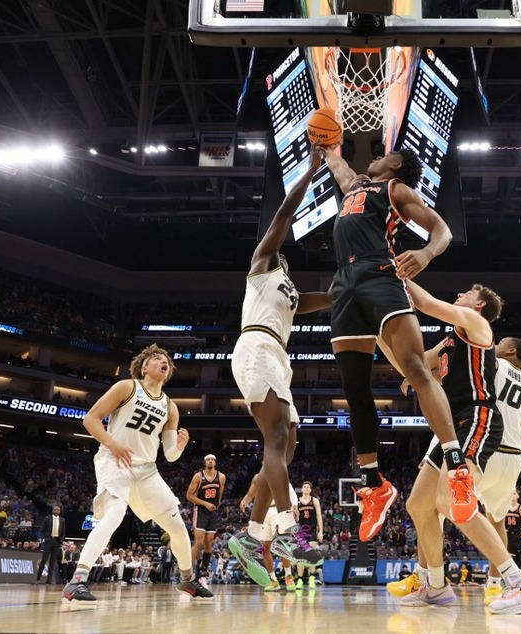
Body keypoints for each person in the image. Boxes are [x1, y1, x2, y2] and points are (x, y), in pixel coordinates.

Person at [322, 147, 475, 541]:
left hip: (379, 272)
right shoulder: (357, 185)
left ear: (394, 165)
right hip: (343, 282)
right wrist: (326, 148)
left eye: (383, 155)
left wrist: (425, 253)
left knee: (414, 366)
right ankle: (374, 485)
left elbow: (442, 229)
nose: (374, 158)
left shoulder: (396, 189)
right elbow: (339, 167)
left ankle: (456, 465)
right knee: (354, 388)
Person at [392, 281, 521, 615]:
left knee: (451, 502)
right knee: (418, 505)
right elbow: (411, 360)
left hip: (477, 419)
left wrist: (394, 275)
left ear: (478, 306)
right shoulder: (450, 341)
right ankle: (435, 586)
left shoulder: (478, 325)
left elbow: (428, 303)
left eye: (466, 294)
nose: (459, 294)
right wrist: (374, 325)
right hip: (452, 426)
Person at [226, 150, 330, 586]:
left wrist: (353, 284)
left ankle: (251, 535)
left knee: (286, 448)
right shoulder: (261, 265)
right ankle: (286, 531)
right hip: (256, 347)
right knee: (276, 439)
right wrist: (310, 170)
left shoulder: (287, 289)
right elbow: (283, 217)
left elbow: (318, 299)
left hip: (277, 356)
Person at [61, 344, 213, 604]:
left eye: (166, 360)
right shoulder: (127, 387)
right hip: (114, 460)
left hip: (146, 471)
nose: (163, 362)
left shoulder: (170, 407)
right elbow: (91, 419)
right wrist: (113, 444)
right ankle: (77, 580)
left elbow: (169, 456)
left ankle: (187, 580)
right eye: (157, 359)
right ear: (144, 367)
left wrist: (179, 445)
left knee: (177, 529)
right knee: (115, 514)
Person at [476, 337, 521, 603]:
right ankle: (495, 585)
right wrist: (516, 444)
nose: (495, 343)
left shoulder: (493, 364)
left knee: (436, 505)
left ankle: (429, 579)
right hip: (512, 459)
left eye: (501, 342)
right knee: (496, 521)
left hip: (484, 449)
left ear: (511, 351)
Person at [236, 473, 301, 591]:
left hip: (279, 510)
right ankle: (273, 580)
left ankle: (288, 576)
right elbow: (251, 494)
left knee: (280, 544)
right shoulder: (257, 477)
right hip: (263, 513)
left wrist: (295, 506)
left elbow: (291, 491)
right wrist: (245, 500)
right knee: (265, 548)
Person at [186, 454, 226, 575]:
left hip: (212, 512)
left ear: (215, 462)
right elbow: (189, 496)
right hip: (201, 511)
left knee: (209, 542)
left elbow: (220, 493)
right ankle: (187, 571)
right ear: (205, 462)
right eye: (208, 459)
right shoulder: (198, 477)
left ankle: (204, 569)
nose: (210, 461)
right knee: (198, 542)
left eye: (212, 459)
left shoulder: (221, 477)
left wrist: (216, 505)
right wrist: (205, 504)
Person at [293, 480, 324, 589]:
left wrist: (321, 531)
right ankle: (300, 579)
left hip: (312, 530)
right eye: (304, 486)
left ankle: (312, 578)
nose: (306, 488)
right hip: (301, 531)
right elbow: (295, 518)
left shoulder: (315, 501)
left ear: (310, 490)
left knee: (312, 554)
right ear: (301, 489)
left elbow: (319, 516)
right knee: (300, 555)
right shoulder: (296, 502)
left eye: (308, 487)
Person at [36, 505, 66, 585]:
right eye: (55, 509)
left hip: (57, 541)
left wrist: (61, 540)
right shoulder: (47, 518)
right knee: (44, 559)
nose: (56, 511)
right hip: (48, 541)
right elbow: (42, 530)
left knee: (52, 561)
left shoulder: (62, 520)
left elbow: (63, 532)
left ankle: (48, 580)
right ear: (52, 511)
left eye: (58, 510)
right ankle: (38, 579)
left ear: (59, 511)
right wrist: (44, 538)